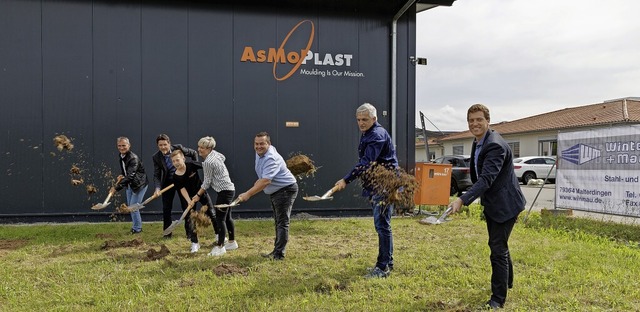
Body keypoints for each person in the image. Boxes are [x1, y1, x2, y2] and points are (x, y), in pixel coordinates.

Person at [447, 104, 526, 310]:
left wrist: (462, 199)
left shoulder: (495, 145)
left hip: (506, 205)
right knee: (499, 245)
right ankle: (507, 282)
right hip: (494, 203)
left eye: (479, 119)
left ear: (488, 121)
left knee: (497, 249)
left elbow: (486, 179)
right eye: (471, 120)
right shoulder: (479, 142)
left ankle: (498, 299)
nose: (475, 124)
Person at [334, 103, 399, 278]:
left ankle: (383, 267)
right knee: (383, 224)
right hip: (378, 182)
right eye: (358, 120)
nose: (361, 123)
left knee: (382, 225)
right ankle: (387, 263)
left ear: (374, 119)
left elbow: (366, 163)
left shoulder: (376, 136)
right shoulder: (368, 133)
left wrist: (346, 180)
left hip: (385, 184)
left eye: (365, 119)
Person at [237, 132, 298, 260]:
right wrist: (258, 181)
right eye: (256, 144)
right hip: (276, 190)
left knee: (282, 222)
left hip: (285, 189)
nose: (258, 146)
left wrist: (248, 194)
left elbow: (266, 181)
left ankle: (279, 255)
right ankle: (277, 251)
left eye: (262, 144)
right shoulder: (260, 153)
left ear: (268, 144)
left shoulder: (271, 158)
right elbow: (263, 176)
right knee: (278, 221)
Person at [191, 136, 238, 257]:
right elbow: (223, 157)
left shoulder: (208, 162)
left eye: (202, 148)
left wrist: (197, 195)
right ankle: (232, 242)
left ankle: (220, 246)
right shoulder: (216, 154)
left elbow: (206, 182)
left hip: (224, 191)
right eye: (199, 146)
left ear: (209, 148)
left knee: (220, 219)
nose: (199, 150)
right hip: (230, 189)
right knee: (227, 217)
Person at [151, 134, 198, 239]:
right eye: (160, 145)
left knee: (187, 206)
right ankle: (167, 234)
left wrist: (192, 169)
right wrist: (157, 188)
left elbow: (193, 153)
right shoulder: (156, 157)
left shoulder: (179, 148)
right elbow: (157, 175)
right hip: (169, 182)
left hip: (182, 180)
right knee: (166, 209)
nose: (163, 147)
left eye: (165, 144)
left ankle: (190, 234)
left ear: (169, 143)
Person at [170, 150, 216, 253]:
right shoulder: (176, 176)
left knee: (212, 213)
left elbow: (206, 166)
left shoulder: (191, 165)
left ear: (183, 159)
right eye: (173, 161)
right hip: (187, 197)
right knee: (190, 220)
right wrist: (189, 201)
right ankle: (195, 243)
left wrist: (200, 192)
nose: (176, 163)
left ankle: (218, 236)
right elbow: (182, 189)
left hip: (201, 191)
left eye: (177, 160)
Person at [111, 137, 148, 234]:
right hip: (130, 185)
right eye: (119, 145)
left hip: (139, 185)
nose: (121, 147)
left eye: (124, 145)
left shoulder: (133, 158)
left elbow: (131, 176)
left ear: (129, 145)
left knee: (133, 207)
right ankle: (135, 227)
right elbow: (127, 172)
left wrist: (116, 188)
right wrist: (122, 175)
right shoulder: (122, 156)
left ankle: (137, 229)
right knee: (131, 207)